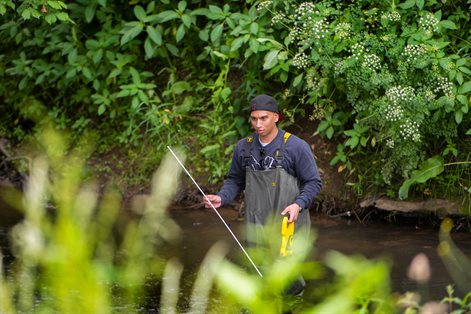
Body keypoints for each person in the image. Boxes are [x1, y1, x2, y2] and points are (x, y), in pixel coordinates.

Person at [203, 94, 322, 295]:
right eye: (254, 118)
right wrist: (222, 197)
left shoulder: (296, 146)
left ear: (276, 117)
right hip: (255, 223)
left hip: (288, 226)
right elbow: (235, 180)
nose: (258, 124)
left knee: (288, 282)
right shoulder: (243, 147)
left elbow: (313, 182)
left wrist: (298, 204)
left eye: (263, 118)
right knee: (256, 276)